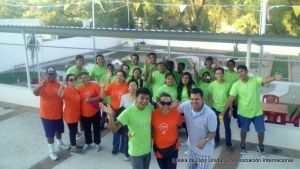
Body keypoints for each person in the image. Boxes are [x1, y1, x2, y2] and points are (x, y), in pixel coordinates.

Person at [221, 65, 282, 158]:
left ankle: (261, 146)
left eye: (242, 71)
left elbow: (264, 80)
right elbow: (230, 98)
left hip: (257, 112)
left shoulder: (254, 80)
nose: (240, 73)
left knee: (261, 130)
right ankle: (242, 145)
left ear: (246, 71)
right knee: (244, 130)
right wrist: (224, 111)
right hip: (243, 113)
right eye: (238, 72)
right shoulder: (236, 85)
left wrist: (273, 78)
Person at [100, 87, 154, 169]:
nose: (144, 101)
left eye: (147, 98)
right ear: (136, 98)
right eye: (142, 98)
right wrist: (110, 116)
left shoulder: (149, 107)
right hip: (135, 152)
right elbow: (114, 129)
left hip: (148, 150)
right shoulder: (128, 112)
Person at [33, 67, 69, 161]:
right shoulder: (42, 84)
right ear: (46, 75)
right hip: (47, 115)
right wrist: (41, 86)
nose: (52, 76)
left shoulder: (58, 84)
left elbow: (66, 93)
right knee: (50, 134)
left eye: (53, 74)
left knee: (58, 130)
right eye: (49, 74)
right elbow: (34, 92)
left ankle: (60, 144)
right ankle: (51, 151)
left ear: (56, 75)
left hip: (58, 113)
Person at [178, 88, 217, 169]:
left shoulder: (210, 114)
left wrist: (205, 140)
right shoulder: (187, 105)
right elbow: (175, 111)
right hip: (191, 147)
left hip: (204, 149)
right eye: (192, 99)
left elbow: (213, 132)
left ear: (202, 99)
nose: (194, 102)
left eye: (197, 99)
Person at [100, 70, 128, 155]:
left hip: (125, 111)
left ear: (124, 78)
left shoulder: (127, 85)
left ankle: (124, 149)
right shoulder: (111, 85)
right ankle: (115, 147)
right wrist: (102, 87)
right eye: (117, 75)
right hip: (114, 111)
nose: (118, 77)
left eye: (121, 76)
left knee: (124, 131)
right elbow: (103, 96)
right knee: (115, 130)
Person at [152, 93, 182, 169]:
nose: (166, 106)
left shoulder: (176, 113)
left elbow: (182, 123)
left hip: (173, 148)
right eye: (163, 103)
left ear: (171, 103)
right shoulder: (153, 114)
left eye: (168, 103)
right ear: (158, 103)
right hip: (159, 150)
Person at [57, 74, 84, 155]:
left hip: (76, 114)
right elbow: (59, 94)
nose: (73, 81)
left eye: (74, 79)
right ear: (67, 82)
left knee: (74, 130)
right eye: (71, 80)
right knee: (72, 131)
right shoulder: (65, 91)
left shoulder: (76, 90)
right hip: (70, 115)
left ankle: (74, 144)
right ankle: (73, 148)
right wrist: (62, 84)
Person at [207, 67, 233, 153]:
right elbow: (209, 96)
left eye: (221, 73)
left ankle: (228, 145)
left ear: (223, 74)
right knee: (216, 127)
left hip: (226, 110)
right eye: (217, 73)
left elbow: (231, 98)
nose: (219, 75)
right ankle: (216, 141)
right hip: (216, 109)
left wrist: (230, 109)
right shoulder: (212, 85)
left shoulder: (228, 84)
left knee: (227, 127)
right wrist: (213, 105)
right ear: (215, 75)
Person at [77, 72, 102, 152]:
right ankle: (87, 143)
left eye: (86, 77)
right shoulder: (79, 88)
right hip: (84, 113)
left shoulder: (95, 85)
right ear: (81, 80)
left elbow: (101, 96)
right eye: (83, 78)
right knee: (86, 129)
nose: (85, 79)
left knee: (96, 129)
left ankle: (97, 143)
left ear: (89, 77)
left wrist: (91, 100)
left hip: (95, 112)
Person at [118, 79, 139, 161]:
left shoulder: (138, 97)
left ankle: (136, 153)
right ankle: (126, 154)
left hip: (136, 120)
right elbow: (121, 109)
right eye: (131, 85)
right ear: (128, 87)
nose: (132, 87)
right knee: (126, 137)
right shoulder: (124, 97)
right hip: (126, 121)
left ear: (137, 87)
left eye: (134, 85)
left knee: (135, 138)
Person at [99, 63, 116, 130]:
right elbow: (101, 86)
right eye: (108, 68)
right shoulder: (103, 76)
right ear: (106, 69)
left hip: (111, 98)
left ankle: (113, 125)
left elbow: (110, 86)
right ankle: (101, 125)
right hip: (105, 97)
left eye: (111, 68)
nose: (109, 69)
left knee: (111, 112)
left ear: (113, 69)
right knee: (103, 112)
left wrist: (109, 78)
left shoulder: (115, 77)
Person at [224, 59, 240, 126]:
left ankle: (238, 125)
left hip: (234, 97)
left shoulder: (237, 75)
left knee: (236, 114)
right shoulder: (224, 73)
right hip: (226, 97)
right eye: (229, 64)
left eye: (232, 64)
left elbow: (239, 86)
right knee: (227, 113)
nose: (230, 66)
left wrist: (237, 99)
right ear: (227, 65)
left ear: (234, 65)